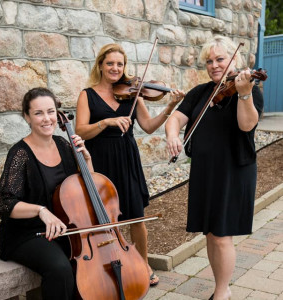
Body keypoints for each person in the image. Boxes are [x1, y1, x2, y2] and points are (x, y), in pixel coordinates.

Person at [75, 43, 184, 286]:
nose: (115, 68)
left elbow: (148, 125)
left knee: (136, 215)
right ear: (101, 66)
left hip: (127, 158)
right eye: (110, 63)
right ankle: (115, 262)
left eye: (120, 64)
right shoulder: (87, 95)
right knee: (108, 216)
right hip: (100, 159)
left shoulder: (133, 93)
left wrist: (169, 107)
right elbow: (80, 131)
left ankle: (142, 263)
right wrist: (107, 122)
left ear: (125, 67)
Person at [165, 35, 263, 300]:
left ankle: (221, 293)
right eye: (209, 61)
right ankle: (223, 286)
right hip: (204, 171)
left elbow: (246, 125)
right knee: (209, 233)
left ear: (235, 58)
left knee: (221, 235)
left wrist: (243, 94)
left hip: (233, 171)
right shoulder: (201, 92)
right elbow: (175, 118)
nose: (214, 65)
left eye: (220, 59)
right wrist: (173, 134)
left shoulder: (249, 90)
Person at [0, 87, 93, 300]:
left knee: (87, 261)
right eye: (38, 113)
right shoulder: (20, 153)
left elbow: (89, 189)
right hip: (28, 233)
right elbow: (4, 202)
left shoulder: (64, 145)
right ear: (27, 117)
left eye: (50, 111)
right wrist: (41, 211)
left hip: (62, 227)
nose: (46, 119)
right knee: (60, 268)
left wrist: (86, 159)